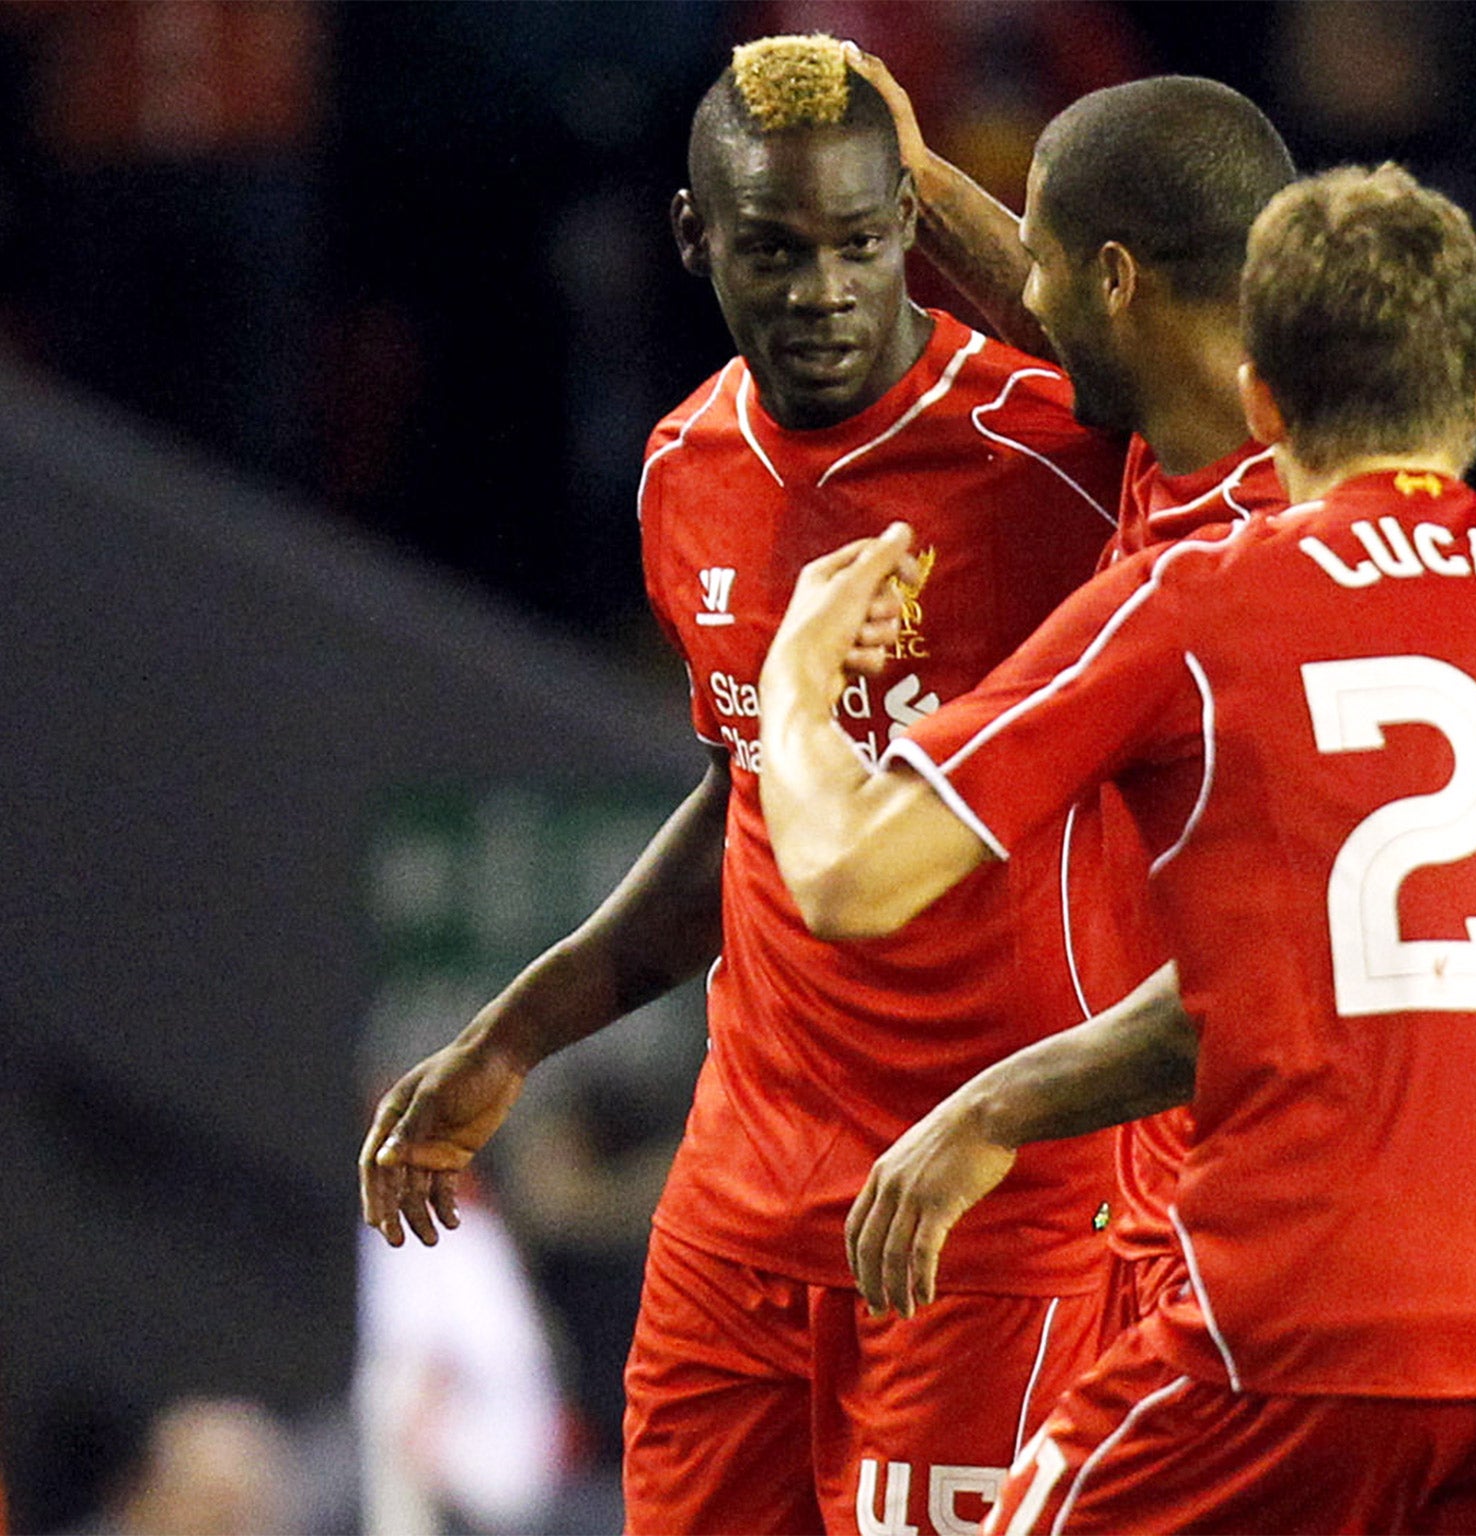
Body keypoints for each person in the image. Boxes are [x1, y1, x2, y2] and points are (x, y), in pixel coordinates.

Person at [753, 162, 1476, 1532]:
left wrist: (792, 678)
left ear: (1263, 403)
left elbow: (846, 875)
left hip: (1325, 1290)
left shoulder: (1200, 605)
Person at [359, 36, 1130, 1536]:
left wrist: (931, 165)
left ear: (907, 225)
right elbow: (753, 806)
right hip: (740, 1208)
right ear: (693, 237)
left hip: (988, 1210)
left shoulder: (1069, 463)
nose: (825, 289)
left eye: (861, 239)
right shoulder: (683, 471)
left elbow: (1235, 404)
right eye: (776, 249)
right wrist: (514, 1037)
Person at [848, 48, 1299, 1332]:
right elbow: (1090, 329)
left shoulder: (1227, 580)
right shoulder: (1233, 448)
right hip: (1189, 1215)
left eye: (1048, 259)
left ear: (1116, 280)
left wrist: (794, 689)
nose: (1026, 296)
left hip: (1248, 1243)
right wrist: (922, 183)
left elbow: (852, 876)